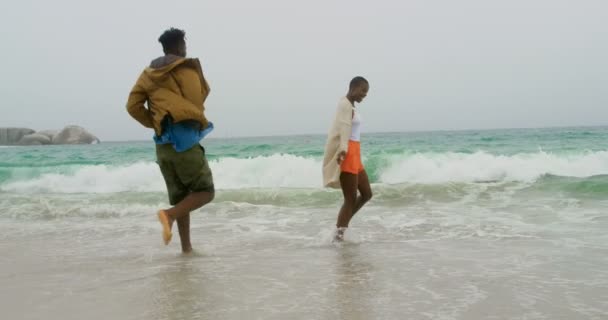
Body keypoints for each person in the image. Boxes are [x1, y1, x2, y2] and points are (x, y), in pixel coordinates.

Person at [126, 28, 215, 253]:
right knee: (205, 192)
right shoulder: (187, 70)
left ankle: (186, 249)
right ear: (179, 46)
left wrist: (155, 123)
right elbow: (199, 98)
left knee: (183, 197)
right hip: (184, 142)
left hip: (162, 146)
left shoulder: (147, 74)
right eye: (184, 44)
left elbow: (132, 106)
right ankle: (169, 215)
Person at [323, 77, 373, 241]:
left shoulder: (351, 105)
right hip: (348, 152)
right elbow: (343, 128)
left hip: (355, 152)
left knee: (366, 194)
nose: (364, 95)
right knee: (350, 199)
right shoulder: (344, 104)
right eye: (363, 91)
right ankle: (338, 235)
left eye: (366, 93)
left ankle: (341, 227)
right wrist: (343, 149)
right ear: (353, 88)